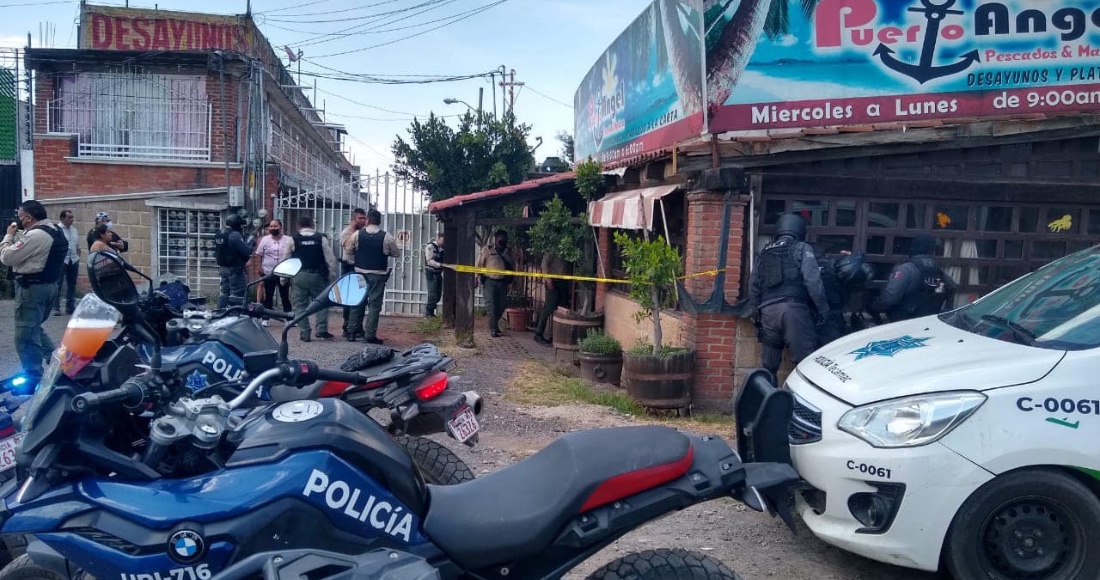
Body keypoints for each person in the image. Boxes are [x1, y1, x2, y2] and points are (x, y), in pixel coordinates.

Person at [748, 213, 830, 377]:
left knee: (769, 366)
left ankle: (766, 392)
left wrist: (756, 312)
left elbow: (753, 285)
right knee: (805, 364)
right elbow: (813, 282)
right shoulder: (802, 248)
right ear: (800, 230)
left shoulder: (764, 252)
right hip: (793, 311)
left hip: (768, 312)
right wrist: (823, 309)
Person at [1, 200, 68, 382]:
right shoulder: (54, 229)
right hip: (49, 286)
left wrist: (8, 236)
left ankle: (33, 376)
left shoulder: (36, 235)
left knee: (24, 335)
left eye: (20, 216)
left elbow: (7, 257)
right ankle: (58, 364)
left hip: (32, 289)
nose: (18, 220)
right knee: (34, 328)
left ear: (29, 218)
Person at [871, 234, 957, 322]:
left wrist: (873, 307)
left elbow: (889, 298)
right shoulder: (940, 272)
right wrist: (947, 311)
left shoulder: (907, 269)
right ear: (932, 251)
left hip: (903, 322)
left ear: (913, 248)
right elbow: (952, 288)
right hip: (930, 322)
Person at [350, 209, 399, 345]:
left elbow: (348, 250)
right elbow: (396, 253)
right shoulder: (386, 236)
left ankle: (352, 332)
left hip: (360, 273)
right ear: (379, 221)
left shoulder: (357, 234)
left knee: (358, 301)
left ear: (367, 220)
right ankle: (370, 335)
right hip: (378, 275)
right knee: (374, 305)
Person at [292, 215, 337, 342]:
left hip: (299, 275)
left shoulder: (293, 239)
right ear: (312, 225)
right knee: (322, 303)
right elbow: (330, 260)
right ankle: (321, 330)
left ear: (298, 226)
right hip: (318, 276)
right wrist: (330, 275)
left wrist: (283, 277)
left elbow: (286, 258)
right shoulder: (321, 239)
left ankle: (305, 332)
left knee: (300, 305)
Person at [254, 219, 293, 327]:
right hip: (268, 271)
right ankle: (266, 318)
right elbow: (259, 254)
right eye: (271, 226)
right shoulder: (265, 240)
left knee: (284, 295)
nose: (273, 228)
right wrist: (259, 267)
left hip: (283, 272)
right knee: (269, 295)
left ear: (281, 227)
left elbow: (292, 254)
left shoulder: (288, 240)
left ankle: (289, 318)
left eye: (275, 226)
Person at [475, 230, 515, 338]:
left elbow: (513, 265)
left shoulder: (508, 251)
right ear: (496, 239)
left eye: (504, 239)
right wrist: (476, 277)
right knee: (491, 305)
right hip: (490, 281)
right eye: (500, 239)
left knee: (501, 305)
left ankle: (494, 324)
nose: (503, 242)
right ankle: (493, 328)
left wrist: (513, 279)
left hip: (503, 282)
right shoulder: (487, 250)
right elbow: (478, 264)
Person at [339, 208, 367, 340]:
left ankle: (358, 327)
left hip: (361, 267)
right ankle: (347, 327)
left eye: (364, 218)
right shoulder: (347, 232)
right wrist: (353, 231)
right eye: (360, 218)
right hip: (349, 267)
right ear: (353, 219)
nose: (362, 221)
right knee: (348, 297)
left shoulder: (365, 232)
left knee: (361, 297)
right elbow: (346, 247)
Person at [214, 215, 253, 309]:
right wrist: (251, 242)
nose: (241, 227)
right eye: (240, 225)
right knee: (237, 293)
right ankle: (235, 313)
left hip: (223, 267)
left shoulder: (220, 233)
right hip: (234, 268)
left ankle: (219, 312)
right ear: (237, 224)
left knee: (224, 292)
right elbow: (246, 251)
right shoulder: (235, 235)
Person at [533, 251, 567, 346]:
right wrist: (548, 281)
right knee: (548, 308)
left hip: (563, 281)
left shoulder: (566, 250)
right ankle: (538, 333)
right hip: (553, 281)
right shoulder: (552, 249)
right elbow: (544, 264)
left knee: (561, 309)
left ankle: (556, 335)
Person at [53, 209, 81, 316]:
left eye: (72, 217)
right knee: (58, 284)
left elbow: (77, 246)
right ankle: (56, 307)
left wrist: (77, 258)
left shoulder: (74, 230)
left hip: (73, 260)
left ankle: (70, 307)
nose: (72, 219)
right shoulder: (57, 230)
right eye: (69, 217)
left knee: (72, 284)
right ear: (62, 218)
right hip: (62, 260)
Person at [423, 233, 444, 318]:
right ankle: (428, 312)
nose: (443, 243)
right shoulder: (430, 247)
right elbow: (429, 261)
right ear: (438, 239)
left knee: (438, 294)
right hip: (431, 272)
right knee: (433, 293)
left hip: (438, 272)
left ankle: (431, 313)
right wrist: (440, 265)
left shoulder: (442, 248)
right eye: (442, 240)